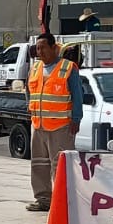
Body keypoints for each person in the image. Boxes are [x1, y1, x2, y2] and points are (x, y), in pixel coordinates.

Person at [26, 32, 84, 212]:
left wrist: (76, 118)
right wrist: (30, 108)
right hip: (38, 125)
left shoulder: (68, 68)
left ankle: (63, 201)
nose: (40, 51)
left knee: (60, 165)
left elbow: (78, 95)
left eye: (43, 47)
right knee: (39, 164)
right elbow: (29, 91)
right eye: (37, 48)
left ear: (54, 48)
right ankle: (43, 199)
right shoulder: (35, 68)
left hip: (61, 126)